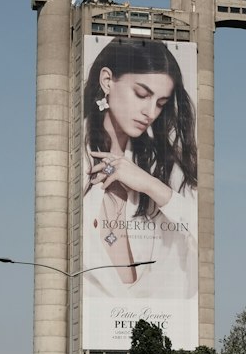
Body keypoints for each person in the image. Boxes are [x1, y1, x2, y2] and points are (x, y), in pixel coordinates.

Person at [81, 38, 198, 330]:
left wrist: (150, 185)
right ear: (107, 81)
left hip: (163, 332)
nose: (150, 112)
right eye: (141, 94)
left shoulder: (167, 167)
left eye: (160, 103)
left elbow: (203, 239)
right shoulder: (68, 160)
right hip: (90, 330)